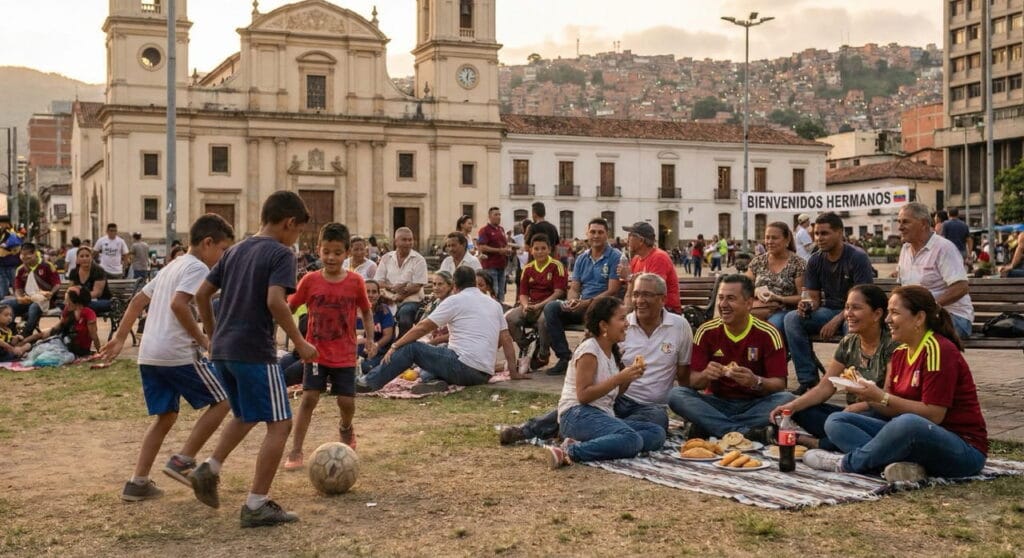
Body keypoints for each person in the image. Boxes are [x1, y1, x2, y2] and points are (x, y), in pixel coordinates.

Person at [189, 191, 318, 528]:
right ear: (289, 223)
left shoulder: (234, 250)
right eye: (298, 231)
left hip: (224, 350)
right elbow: (276, 301)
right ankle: (256, 504)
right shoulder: (281, 253)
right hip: (254, 350)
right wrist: (300, 341)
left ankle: (210, 467)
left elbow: (202, 295)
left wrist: (213, 334)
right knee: (281, 424)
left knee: (246, 414)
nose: (297, 238)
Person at [99, 214, 235, 502]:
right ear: (208, 243)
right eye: (223, 250)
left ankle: (137, 482)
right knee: (225, 399)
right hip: (176, 353)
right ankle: (183, 460)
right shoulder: (197, 267)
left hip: (150, 355)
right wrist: (204, 341)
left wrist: (121, 337)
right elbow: (179, 305)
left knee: (166, 417)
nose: (223, 258)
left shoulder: (171, 266)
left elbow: (138, 301)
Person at [803, 286, 989, 483]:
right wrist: (869, 397)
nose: (887, 320)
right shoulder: (900, 352)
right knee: (837, 421)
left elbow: (934, 415)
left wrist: (881, 397)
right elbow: (890, 407)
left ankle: (846, 464)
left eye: (895, 313)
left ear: (919, 318)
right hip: (913, 439)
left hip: (962, 449)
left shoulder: (938, 350)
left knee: (908, 423)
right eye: (888, 312)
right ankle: (897, 466)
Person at [502, 273, 692, 445]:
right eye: (636, 294)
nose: (639, 300)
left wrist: (686, 414)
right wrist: (623, 378)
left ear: (662, 299)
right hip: (616, 397)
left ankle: (598, 433)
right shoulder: (621, 325)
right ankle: (527, 430)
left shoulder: (679, 327)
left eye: (647, 295)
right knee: (583, 409)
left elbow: (683, 373)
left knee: (656, 424)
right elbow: (590, 382)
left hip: (650, 407)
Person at [284, 223, 375, 469]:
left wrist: (370, 339)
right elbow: (289, 308)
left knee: (346, 402)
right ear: (318, 250)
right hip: (315, 352)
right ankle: (296, 450)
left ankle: (346, 427)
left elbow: (366, 312)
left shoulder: (355, 281)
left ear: (347, 253)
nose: (331, 257)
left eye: (337, 252)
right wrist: (296, 339)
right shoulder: (310, 280)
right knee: (309, 398)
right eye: (326, 252)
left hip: (344, 353)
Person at [768, 285, 899, 450]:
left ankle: (816, 442)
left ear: (877, 314)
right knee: (800, 409)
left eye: (856, 308)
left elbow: (887, 398)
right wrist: (791, 406)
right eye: (847, 308)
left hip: (877, 415)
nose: (848, 314)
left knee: (841, 423)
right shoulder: (849, 342)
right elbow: (825, 386)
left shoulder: (892, 345)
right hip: (847, 415)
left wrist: (858, 407)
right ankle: (837, 440)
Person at [668, 274, 794, 441]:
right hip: (716, 402)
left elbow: (780, 385)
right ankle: (745, 432)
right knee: (676, 395)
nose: (723, 304)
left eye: (731, 298)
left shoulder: (768, 333)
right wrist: (706, 375)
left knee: (788, 399)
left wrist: (755, 381)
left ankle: (711, 426)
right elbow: (693, 382)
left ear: (748, 303)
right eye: (721, 298)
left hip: (755, 403)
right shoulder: (706, 331)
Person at [357, 265, 522, 393]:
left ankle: (368, 383)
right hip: (483, 374)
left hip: (463, 367)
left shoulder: (455, 300)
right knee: (435, 357)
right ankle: (433, 381)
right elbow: (506, 339)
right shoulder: (494, 304)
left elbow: (423, 327)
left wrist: (395, 345)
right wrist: (513, 372)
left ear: (454, 285)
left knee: (411, 348)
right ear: (474, 282)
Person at [545, 296, 666, 468]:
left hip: (601, 415)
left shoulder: (612, 351)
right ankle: (569, 452)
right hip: (577, 415)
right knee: (631, 439)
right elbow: (583, 396)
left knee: (656, 432)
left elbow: (614, 393)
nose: (627, 324)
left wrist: (629, 377)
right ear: (604, 325)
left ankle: (610, 444)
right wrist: (619, 378)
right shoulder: (589, 350)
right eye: (622, 319)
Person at [784, 212, 874, 394]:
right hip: (829, 311)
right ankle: (808, 380)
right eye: (816, 234)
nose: (819, 238)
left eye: (824, 233)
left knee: (853, 328)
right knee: (791, 319)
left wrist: (837, 320)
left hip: (857, 312)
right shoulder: (815, 260)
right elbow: (814, 299)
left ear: (839, 233)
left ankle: (855, 383)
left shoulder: (857, 257)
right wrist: (807, 305)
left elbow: (862, 301)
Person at [539, 218, 623, 376]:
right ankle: (564, 357)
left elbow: (613, 290)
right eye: (593, 232)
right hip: (582, 306)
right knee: (551, 308)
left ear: (607, 234)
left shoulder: (615, 256)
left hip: (603, 307)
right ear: (587, 234)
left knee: (597, 312)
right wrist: (572, 300)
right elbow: (575, 287)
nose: (596, 236)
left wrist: (586, 302)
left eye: (600, 232)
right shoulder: (582, 257)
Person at [896, 202, 974, 339]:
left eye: (905, 222)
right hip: (919, 317)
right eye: (899, 222)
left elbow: (961, 287)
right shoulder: (905, 249)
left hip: (952, 317)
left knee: (910, 333)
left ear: (923, 224)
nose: (900, 227)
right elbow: (902, 287)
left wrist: (931, 307)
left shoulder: (944, 248)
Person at [505, 234, 567, 367]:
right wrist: (525, 305)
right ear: (531, 250)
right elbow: (523, 293)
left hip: (550, 306)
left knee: (543, 321)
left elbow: (559, 292)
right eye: (536, 249)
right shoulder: (527, 268)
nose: (540, 252)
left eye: (543, 248)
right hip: (532, 305)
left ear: (549, 249)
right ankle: (526, 344)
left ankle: (543, 355)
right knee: (509, 318)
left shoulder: (557, 266)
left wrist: (540, 305)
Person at [745, 221, 806, 334]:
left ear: (787, 240)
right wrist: (756, 291)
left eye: (774, 238)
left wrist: (778, 298)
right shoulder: (758, 261)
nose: (769, 242)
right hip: (758, 309)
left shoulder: (798, 263)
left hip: (784, 311)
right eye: (767, 237)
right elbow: (743, 287)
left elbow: (803, 297)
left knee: (770, 329)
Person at [374, 227, 428, 337]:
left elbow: (417, 285)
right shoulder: (386, 258)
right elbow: (378, 281)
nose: (408, 243)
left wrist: (400, 296)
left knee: (405, 315)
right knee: (376, 311)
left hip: (411, 300)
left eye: (410, 240)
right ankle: (382, 342)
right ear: (396, 242)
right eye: (404, 240)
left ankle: (402, 343)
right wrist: (392, 287)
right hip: (388, 298)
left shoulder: (419, 259)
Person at [618, 222, 681, 314]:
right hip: (644, 307)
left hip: (665, 310)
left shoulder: (659, 257)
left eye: (630, 235)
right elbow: (631, 292)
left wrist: (629, 277)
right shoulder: (636, 259)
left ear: (641, 240)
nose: (627, 240)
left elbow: (653, 290)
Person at [22, 286, 100, 357]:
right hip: (64, 345)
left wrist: (99, 352)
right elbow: (55, 329)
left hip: (79, 350)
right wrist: (26, 340)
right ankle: (21, 347)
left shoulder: (88, 313)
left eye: (67, 300)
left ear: (76, 301)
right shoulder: (68, 311)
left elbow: (94, 336)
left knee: (44, 352)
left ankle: (23, 349)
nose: (65, 303)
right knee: (39, 344)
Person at [3, 243, 61, 337]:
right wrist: (19, 298)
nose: (25, 259)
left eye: (28, 256)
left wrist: (51, 293)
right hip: (27, 299)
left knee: (34, 307)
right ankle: (11, 330)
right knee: (5, 304)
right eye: (23, 256)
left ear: (35, 253)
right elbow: (18, 288)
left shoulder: (47, 266)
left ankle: (26, 334)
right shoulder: (20, 269)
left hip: (45, 301)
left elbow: (57, 284)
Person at [357, 279, 395, 374]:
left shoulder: (383, 310)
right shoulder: (352, 309)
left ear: (378, 294)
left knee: (366, 368)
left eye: (374, 292)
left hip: (378, 351)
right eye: (367, 291)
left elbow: (388, 335)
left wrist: (376, 345)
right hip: (354, 350)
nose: (370, 295)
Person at [476, 207, 511, 304]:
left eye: (499, 214)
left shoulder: (501, 229)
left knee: (501, 292)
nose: (498, 217)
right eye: (495, 214)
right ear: (489, 216)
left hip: (502, 266)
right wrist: (499, 250)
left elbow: (504, 244)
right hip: (490, 266)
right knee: (493, 291)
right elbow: (482, 247)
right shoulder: (484, 230)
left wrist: (507, 250)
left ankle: (500, 308)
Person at [67, 246, 113, 314]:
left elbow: (97, 293)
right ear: (77, 259)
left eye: (87, 256)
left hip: (100, 301)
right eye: (81, 256)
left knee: (87, 306)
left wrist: (79, 299)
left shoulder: (99, 270)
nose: (84, 258)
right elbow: (70, 289)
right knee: (65, 305)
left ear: (91, 258)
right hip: (81, 302)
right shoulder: (73, 272)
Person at [0, 216, 23, 297]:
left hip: (11, 261)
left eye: (1, 223)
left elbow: (17, 243)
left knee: (14, 280)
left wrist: (6, 245)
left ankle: (18, 296)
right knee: (2, 280)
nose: (0, 225)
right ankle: (3, 297)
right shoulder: (2, 232)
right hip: (2, 261)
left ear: (6, 223)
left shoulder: (12, 232)